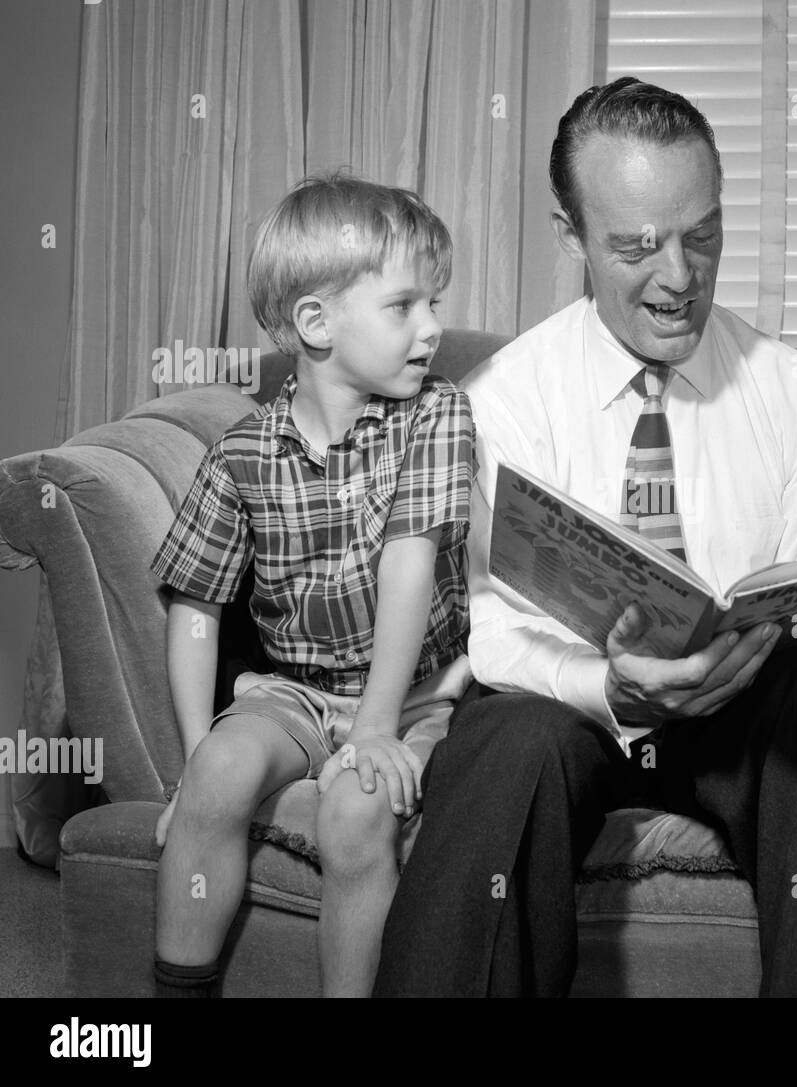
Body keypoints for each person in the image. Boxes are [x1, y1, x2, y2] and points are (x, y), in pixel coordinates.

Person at [374, 77, 797, 997]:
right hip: (572, 711)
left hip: (743, 719)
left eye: (701, 235)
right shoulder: (502, 400)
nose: (678, 276)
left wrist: (768, 645)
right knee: (504, 741)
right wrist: (610, 683)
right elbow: (496, 629)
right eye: (637, 245)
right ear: (572, 238)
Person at [149, 173, 476, 997]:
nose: (434, 329)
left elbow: (410, 561)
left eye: (434, 303)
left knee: (359, 804)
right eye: (406, 306)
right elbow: (196, 607)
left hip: (413, 696)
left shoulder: (437, 415)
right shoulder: (241, 453)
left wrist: (375, 729)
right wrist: (193, 760)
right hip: (292, 690)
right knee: (219, 772)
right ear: (315, 323)